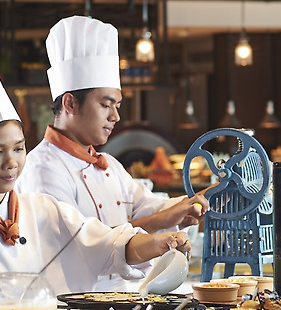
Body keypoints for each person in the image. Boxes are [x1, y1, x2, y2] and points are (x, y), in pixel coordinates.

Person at [0, 43, 188, 299]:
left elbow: (107, 245)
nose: (11, 162)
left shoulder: (43, 209)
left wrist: (159, 243)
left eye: (19, 148)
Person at [18, 16, 207, 239]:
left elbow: (151, 207)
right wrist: (162, 219)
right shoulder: (42, 169)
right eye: (105, 105)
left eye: (117, 106)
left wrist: (201, 201)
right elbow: (77, 244)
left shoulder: (111, 166)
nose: (115, 116)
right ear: (70, 104)